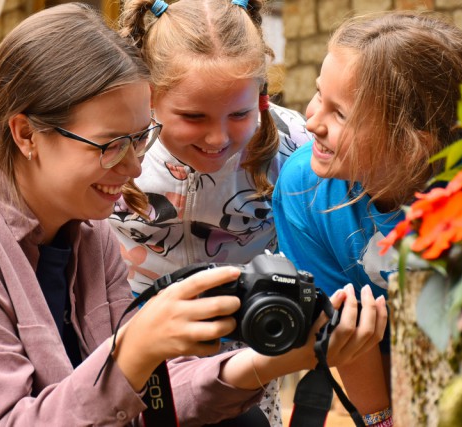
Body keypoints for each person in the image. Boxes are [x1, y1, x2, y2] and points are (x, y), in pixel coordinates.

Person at [0, 3, 386, 427]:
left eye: (138, 140)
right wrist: (135, 349)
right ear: (26, 135)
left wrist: (265, 363)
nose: (134, 167)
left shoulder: (87, 233)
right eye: (112, 145)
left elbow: (149, 401)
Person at [273, 10, 462, 424]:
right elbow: (347, 327)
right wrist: (380, 419)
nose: (311, 120)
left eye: (341, 114)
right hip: (376, 350)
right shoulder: (302, 187)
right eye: (319, 95)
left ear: (411, 144)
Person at [111, 0, 314, 423]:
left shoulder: (294, 148)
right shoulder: (113, 150)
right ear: (149, 93)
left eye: (239, 114)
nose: (217, 138)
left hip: (249, 357)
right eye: (192, 116)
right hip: (135, 350)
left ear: (261, 93)